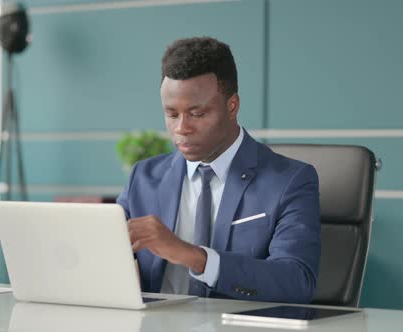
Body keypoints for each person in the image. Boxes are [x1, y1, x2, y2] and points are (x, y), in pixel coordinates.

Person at [117, 37, 320, 303]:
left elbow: (297, 281)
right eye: (172, 114)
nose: (181, 128)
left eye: (197, 114)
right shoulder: (143, 178)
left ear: (232, 106)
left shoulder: (290, 181)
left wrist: (194, 256)